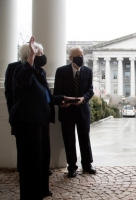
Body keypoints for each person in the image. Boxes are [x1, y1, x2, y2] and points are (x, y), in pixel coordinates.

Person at [9, 36, 54, 199]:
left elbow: (45, 95)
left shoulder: (39, 71)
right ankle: (29, 196)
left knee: (41, 160)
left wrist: (62, 99)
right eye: (39, 53)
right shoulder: (21, 70)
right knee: (30, 163)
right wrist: (31, 57)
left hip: (40, 121)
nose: (42, 56)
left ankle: (40, 191)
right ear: (30, 55)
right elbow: (22, 82)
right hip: (27, 122)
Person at [53, 46, 95, 177]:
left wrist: (84, 98)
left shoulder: (88, 71)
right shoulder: (61, 71)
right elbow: (56, 94)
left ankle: (87, 165)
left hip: (83, 111)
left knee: (85, 139)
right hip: (67, 112)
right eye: (78, 56)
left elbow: (90, 90)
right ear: (71, 58)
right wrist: (63, 101)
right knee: (69, 140)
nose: (81, 58)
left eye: (82, 55)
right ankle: (72, 167)